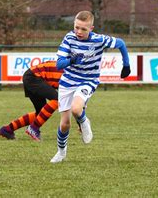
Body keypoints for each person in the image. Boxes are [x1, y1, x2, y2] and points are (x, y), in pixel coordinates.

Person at [50, 11, 131, 163]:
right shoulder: (69, 38)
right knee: (65, 123)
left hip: (88, 80)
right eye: (77, 27)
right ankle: (61, 152)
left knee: (76, 108)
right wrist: (71, 60)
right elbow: (59, 64)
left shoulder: (99, 40)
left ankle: (84, 122)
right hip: (68, 81)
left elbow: (120, 43)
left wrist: (126, 65)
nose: (79, 32)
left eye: (83, 29)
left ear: (91, 28)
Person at [0, 60, 63, 141]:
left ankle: (7, 129)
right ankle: (34, 128)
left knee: (41, 114)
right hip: (34, 77)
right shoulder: (72, 74)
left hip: (31, 76)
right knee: (57, 100)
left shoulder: (71, 70)